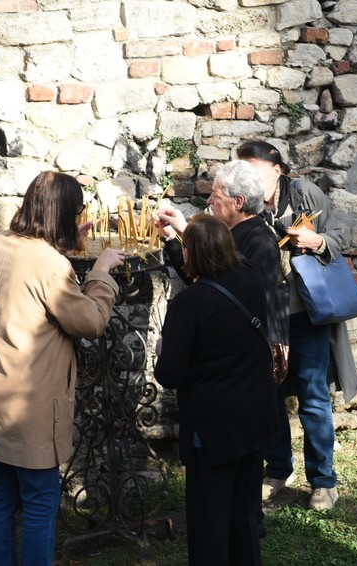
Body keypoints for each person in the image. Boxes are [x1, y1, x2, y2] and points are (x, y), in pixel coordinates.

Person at [0, 171, 125, 566]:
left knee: (1, 497)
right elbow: (90, 322)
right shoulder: (51, 265)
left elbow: (28, 281)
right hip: (27, 406)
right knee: (39, 502)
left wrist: (61, 245)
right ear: (64, 213)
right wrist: (101, 272)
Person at [237, 139, 357, 511]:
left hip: (306, 312)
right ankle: (278, 470)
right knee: (269, 396)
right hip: (265, 316)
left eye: (255, 170)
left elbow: (340, 235)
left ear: (277, 170)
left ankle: (323, 481)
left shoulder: (304, 193)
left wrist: (316, 240)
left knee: (313, 397)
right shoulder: (243, 201)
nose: (249, 178)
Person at [154, 214, 277, 566]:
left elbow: (169, 374)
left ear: (191, 254)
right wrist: (189, 233)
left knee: (209, 522)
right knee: (243, 515)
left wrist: (163, 350)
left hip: (213, 430)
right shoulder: (250, 277)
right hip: (254, 417)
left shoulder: (189, 305)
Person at [156, 160, 288, 368]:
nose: (209, 201)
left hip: (243, 355)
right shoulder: (229, 233)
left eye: (216, 196)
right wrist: (172, 238)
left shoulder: (260, 239)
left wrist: (189, 231)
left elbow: (253, 298)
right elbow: (199, 278)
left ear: (238, 202)